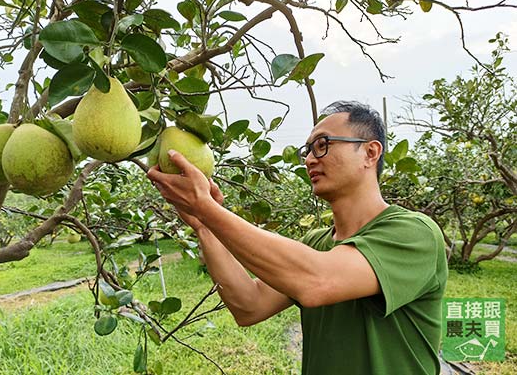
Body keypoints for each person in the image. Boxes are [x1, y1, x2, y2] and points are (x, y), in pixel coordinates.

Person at [147, 101, 448, 375]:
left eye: (322, 145)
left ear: (370, 153)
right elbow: (248, 305)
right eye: (307, 151)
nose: (309, 160)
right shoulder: (316, 242)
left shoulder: (413, 233)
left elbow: (317, 281)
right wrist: (204, 226)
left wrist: (207, 207)